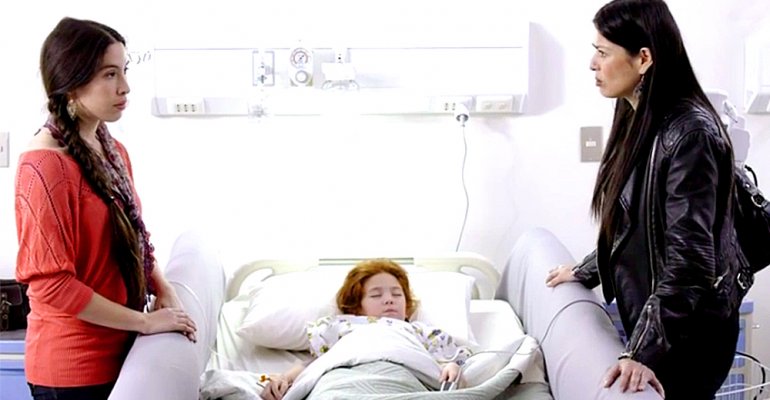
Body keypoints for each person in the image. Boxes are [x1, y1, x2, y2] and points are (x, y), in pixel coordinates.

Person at [544, 1, 747, 399]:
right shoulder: (639, 116)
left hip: (690, 335)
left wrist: (642, 352)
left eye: (603, 52)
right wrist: (587, 270)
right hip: (664, 323)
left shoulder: (690, 135)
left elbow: (690, 262)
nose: (592, 63)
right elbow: (637, 224)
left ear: (643, 59)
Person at [15, 17, 197, 400]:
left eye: (124, 71)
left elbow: (135, 237)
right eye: (110, 74)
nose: (125, 87)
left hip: (122, 352)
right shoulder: (44, 166)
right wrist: (145, 323)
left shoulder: (112, 151)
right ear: (72, 83)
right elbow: (53, 285)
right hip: (73, 370)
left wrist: (162, 287)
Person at [261, 259, 471, 400]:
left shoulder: (420, 331)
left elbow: (444, 362)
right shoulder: (341, 327)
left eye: (397, 294)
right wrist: (284, 378)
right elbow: (317, 363)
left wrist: (451, 366)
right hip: (341, 379)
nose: (389, 299)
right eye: (376, 295)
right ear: (357, 305)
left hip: (402, 377)